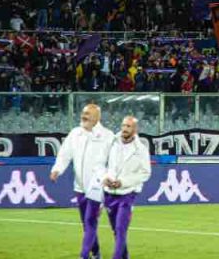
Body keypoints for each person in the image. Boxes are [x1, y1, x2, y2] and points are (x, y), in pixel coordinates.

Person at [51, 103, 114, 259]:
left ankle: (85, 255)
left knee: (90, 222)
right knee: (86, 224)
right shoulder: (75, 133)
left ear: (97, 117)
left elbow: (114, 162)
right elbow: (65, 153)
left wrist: (109, 180)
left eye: (88, 114)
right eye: (83, 113)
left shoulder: (107, 136)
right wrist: (57, 169)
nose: (84, 116)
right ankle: (96, 251)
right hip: (79, 187)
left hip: (97, 187)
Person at [103, 116, 151, 259]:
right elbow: (100, 163)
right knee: (115, 230)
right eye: (123, 125)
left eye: (128, 126)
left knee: (121, 229)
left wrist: (123, 182)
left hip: (127, 194)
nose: (124, 129)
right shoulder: (111, 142)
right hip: (109, 193)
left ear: (135, 129)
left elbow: (145, 173)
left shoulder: (141, 149)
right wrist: (104, 177)